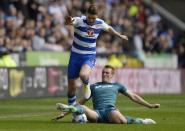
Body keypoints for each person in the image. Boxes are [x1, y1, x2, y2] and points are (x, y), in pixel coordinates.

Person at [65, 4, 128, 106]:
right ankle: (75, 114)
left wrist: (119, 35)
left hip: (89, 56)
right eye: (89, 17)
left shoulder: (100, 23)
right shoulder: (79, 20)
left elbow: (109, 28)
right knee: (71, 89)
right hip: (75, 57)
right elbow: (71, 21)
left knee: (83, 75)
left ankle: (86, 85)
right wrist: (68, 21)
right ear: (86, 14)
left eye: (93, 18)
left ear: (97, 16)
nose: (91, 20)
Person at [56, 65, 160, 124]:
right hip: (97, 114)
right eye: (103, 72)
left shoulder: (117, 86)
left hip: (110, 111)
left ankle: (142, 121)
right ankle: (72, 109)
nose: (104, 74)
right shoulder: (93, 86)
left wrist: (149, 105)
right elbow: (82, 101)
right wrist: (64, 114)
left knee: (122, 121)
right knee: (81, 106)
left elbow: (133, 96)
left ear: (112, 75)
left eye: (107, 73)